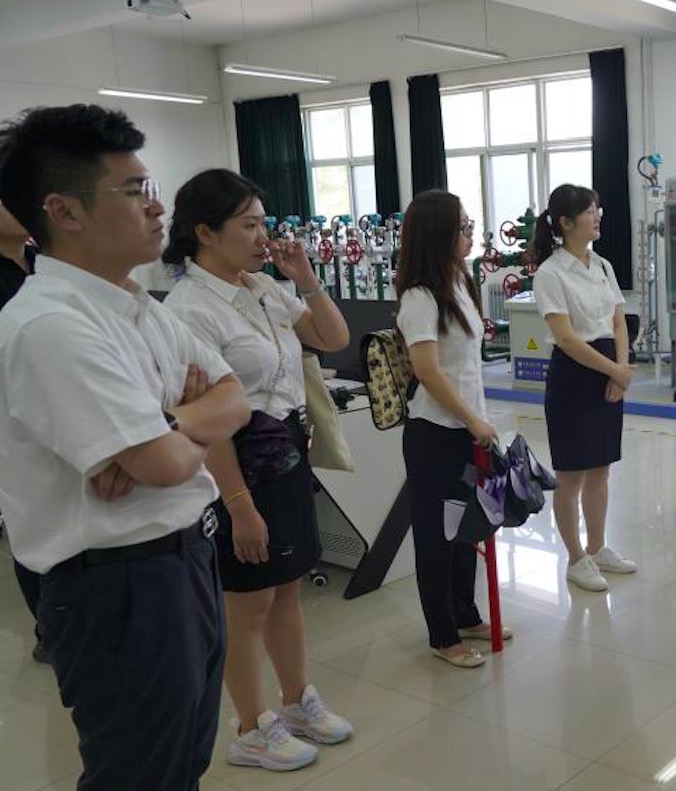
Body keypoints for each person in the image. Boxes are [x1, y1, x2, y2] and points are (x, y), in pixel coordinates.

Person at [0, 104, 252, 789]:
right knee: (138, 775)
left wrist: (166, 423)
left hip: (186, 561)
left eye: (151, 186)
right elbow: (164, 464)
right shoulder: (49, 325)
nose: (156, 205)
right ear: (64, 211)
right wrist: (176, 435)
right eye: (135, 189)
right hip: (116, 588)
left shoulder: (139, 308)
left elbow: (236, 395)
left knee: (182, 763)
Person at [163, 169, 354, 771]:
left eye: (263, 224)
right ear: (205, 232)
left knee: (287, 585)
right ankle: (250, 726)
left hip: (286, 451)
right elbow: (206, 420)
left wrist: (306, 278)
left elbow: (332, 336)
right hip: (236, 465)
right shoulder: (190, 309)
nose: (262, 236)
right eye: (248, 225)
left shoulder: (264, 287)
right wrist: (239, 505)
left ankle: (296, 701)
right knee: (247, 601)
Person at [394, 190, 513, 667]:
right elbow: (428, 370)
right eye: (463, 227)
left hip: (466, 428)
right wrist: (471, 419)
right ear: (437, 233)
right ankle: (443, 636)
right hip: (436, 433)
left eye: (470, 225)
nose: (470, 234)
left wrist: (476, 421)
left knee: (467, 527)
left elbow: (464, 367)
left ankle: (466, 614)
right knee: (437, 536)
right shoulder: (420, 297)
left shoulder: (460, 281)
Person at [531, 184, 638, 592]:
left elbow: (618, 322)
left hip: (609, 368)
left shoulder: (603, 266)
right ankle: (576, 558)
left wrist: (620, 370)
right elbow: (567, 338)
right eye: (590, 211)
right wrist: (615, 370)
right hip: (574, 376)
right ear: (565, 222)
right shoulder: (551, 273)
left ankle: (597, 547)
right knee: (571, 475)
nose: (597, 217)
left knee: (600, 468)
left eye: (598, 210)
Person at [0, 200, 43, 664]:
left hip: (63, 405)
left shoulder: (42, 261)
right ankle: (48, 626)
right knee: (32, 517)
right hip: (15, 415)